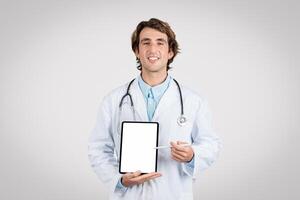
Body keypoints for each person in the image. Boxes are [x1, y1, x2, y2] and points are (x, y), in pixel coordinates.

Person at [88, 18, 221, 200]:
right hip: (129, 195)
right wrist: (120, 180)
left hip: (173, 193)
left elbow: (211, 144)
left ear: (170, 52)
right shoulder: (114, 100)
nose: (152, 50)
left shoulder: (193, 101)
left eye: (160, 42)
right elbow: (98, 149)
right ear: (137, 50)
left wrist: (191, 155)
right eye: (146, 43)